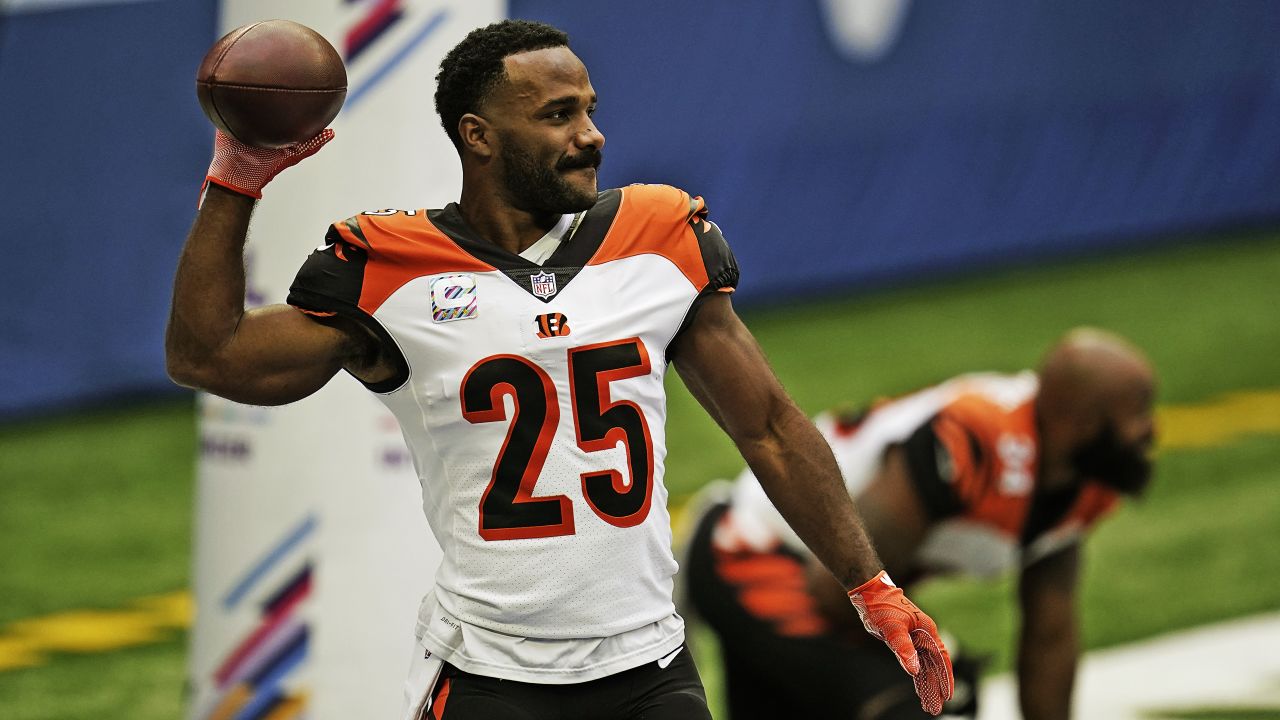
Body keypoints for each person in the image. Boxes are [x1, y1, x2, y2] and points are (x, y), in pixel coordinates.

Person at [166, 19, 952, 720]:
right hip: (489, 676)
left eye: (588, 108)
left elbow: (771, 428)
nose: (591, 135)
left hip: (648, 665)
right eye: (557, 115)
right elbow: (208, 355)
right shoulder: (389, 267)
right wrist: (239, 176)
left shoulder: (660, 236)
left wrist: (869, 583)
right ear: (478, 136)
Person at [682, 328, 1157, 720]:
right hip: (755, 551)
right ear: (1079, 421)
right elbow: (838, 584)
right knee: (927, 702)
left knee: (936, 694)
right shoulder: (974, 444)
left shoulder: (1085, 482)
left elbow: (1049, 639)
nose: (1150, 431)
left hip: (825, 584)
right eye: (1138, 413)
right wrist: (935, 649)